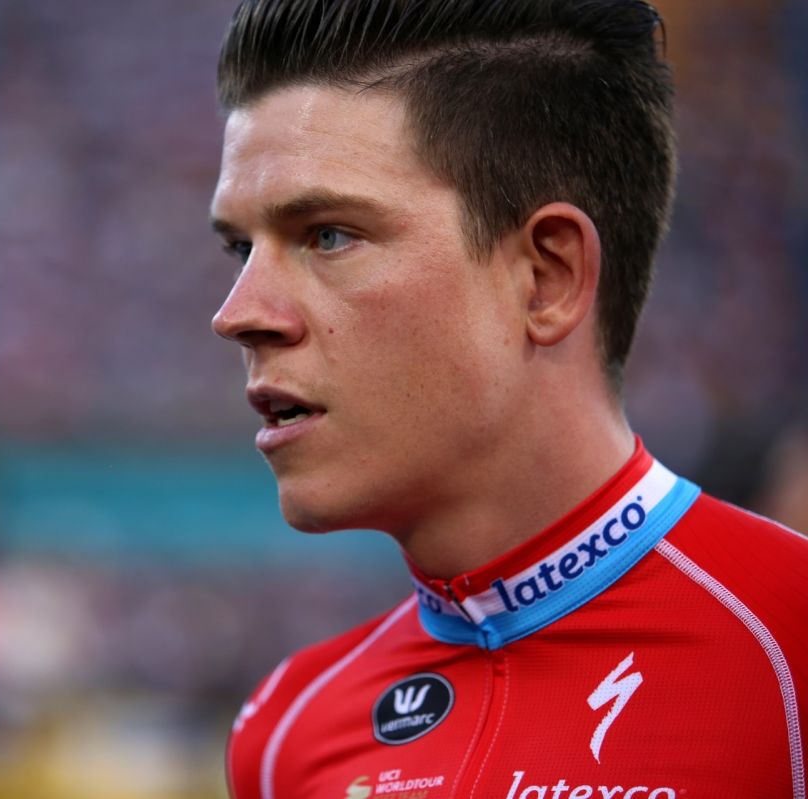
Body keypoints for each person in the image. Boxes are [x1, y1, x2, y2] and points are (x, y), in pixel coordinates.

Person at [206, 1, 808, 797]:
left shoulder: (790, 649)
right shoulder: (288, 731)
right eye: (241, 248)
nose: (238, 313)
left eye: (329, 234)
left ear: (546, 277)